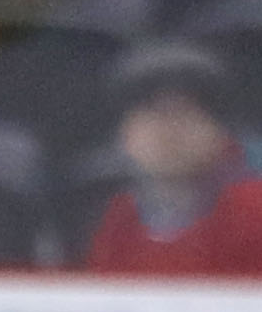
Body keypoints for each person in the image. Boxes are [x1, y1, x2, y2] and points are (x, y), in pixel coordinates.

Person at [83, 42, 262, 277]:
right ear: (125, 136)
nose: (170, 129)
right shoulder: (118, 219)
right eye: (153, 112)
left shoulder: (254, 211)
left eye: (186, 112)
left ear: (220, 132)